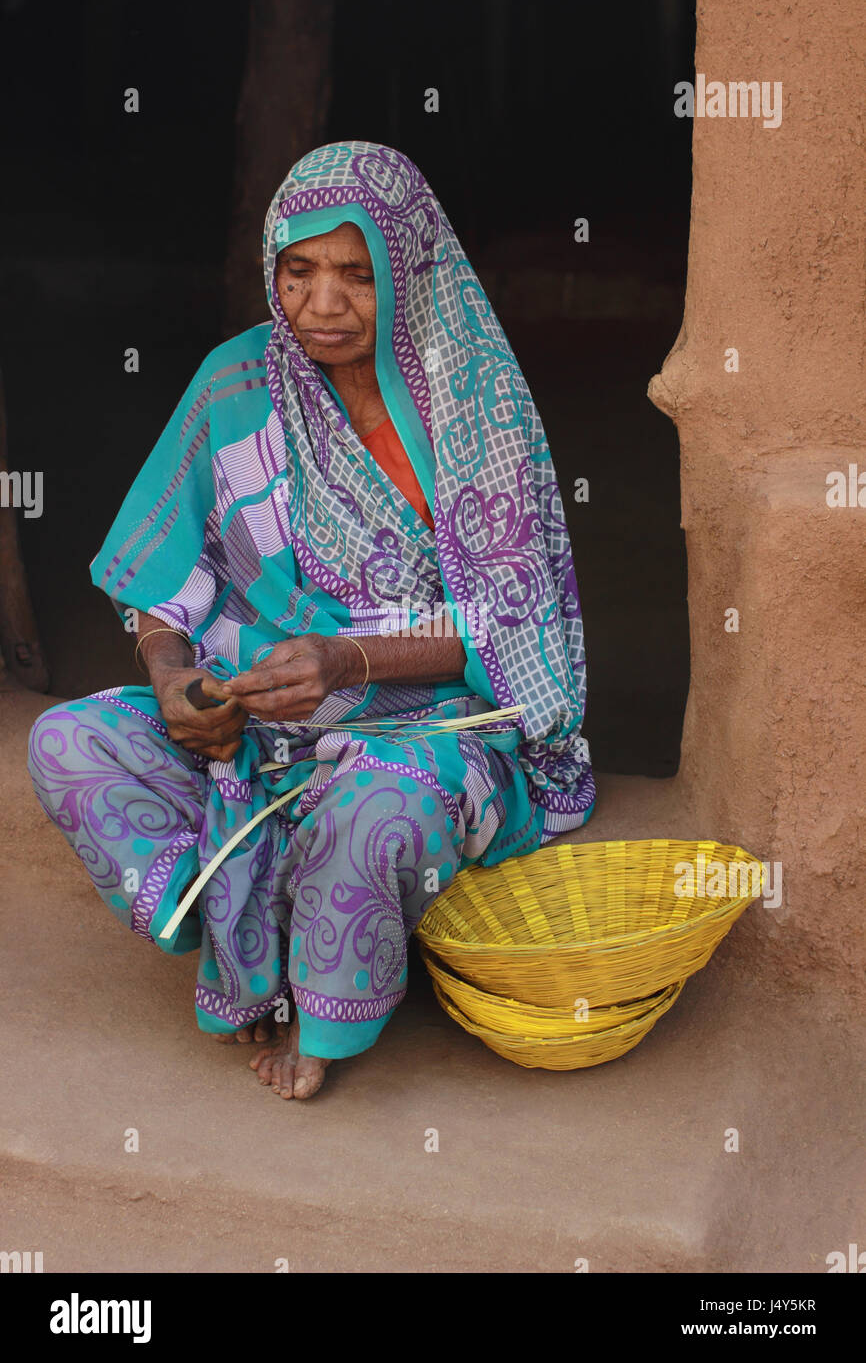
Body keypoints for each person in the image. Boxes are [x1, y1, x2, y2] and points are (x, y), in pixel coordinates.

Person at [26, 141, 595, 1101]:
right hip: (266, 724)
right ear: (272, 271)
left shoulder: (474, 405)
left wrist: (347, 659)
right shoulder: (236, 384)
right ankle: (247, 944)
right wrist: (172, 680)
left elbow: (522, 629)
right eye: (299, 272)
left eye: (356, 274)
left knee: (378, 808)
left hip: (431, 727)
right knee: (67, 742)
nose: (322, 304)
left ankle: (321, 1022)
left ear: (408, 274)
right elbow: (163, 584)